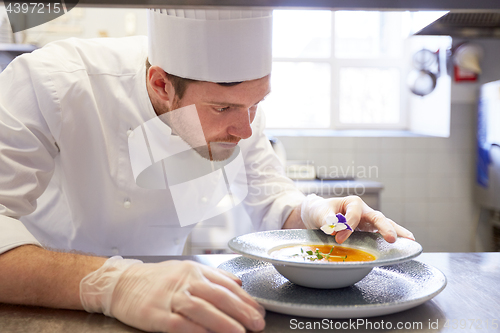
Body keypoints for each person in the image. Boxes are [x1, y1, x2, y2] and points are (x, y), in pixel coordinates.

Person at [0, 8, 414, 333]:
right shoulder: (52, 83)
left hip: (168, 311)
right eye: (223, 108)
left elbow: (272, 201)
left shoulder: (240, 115)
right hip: (46, 308)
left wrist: (319, 215)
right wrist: (116, 285)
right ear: (161, 84)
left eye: (257, 104)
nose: (246, 128)